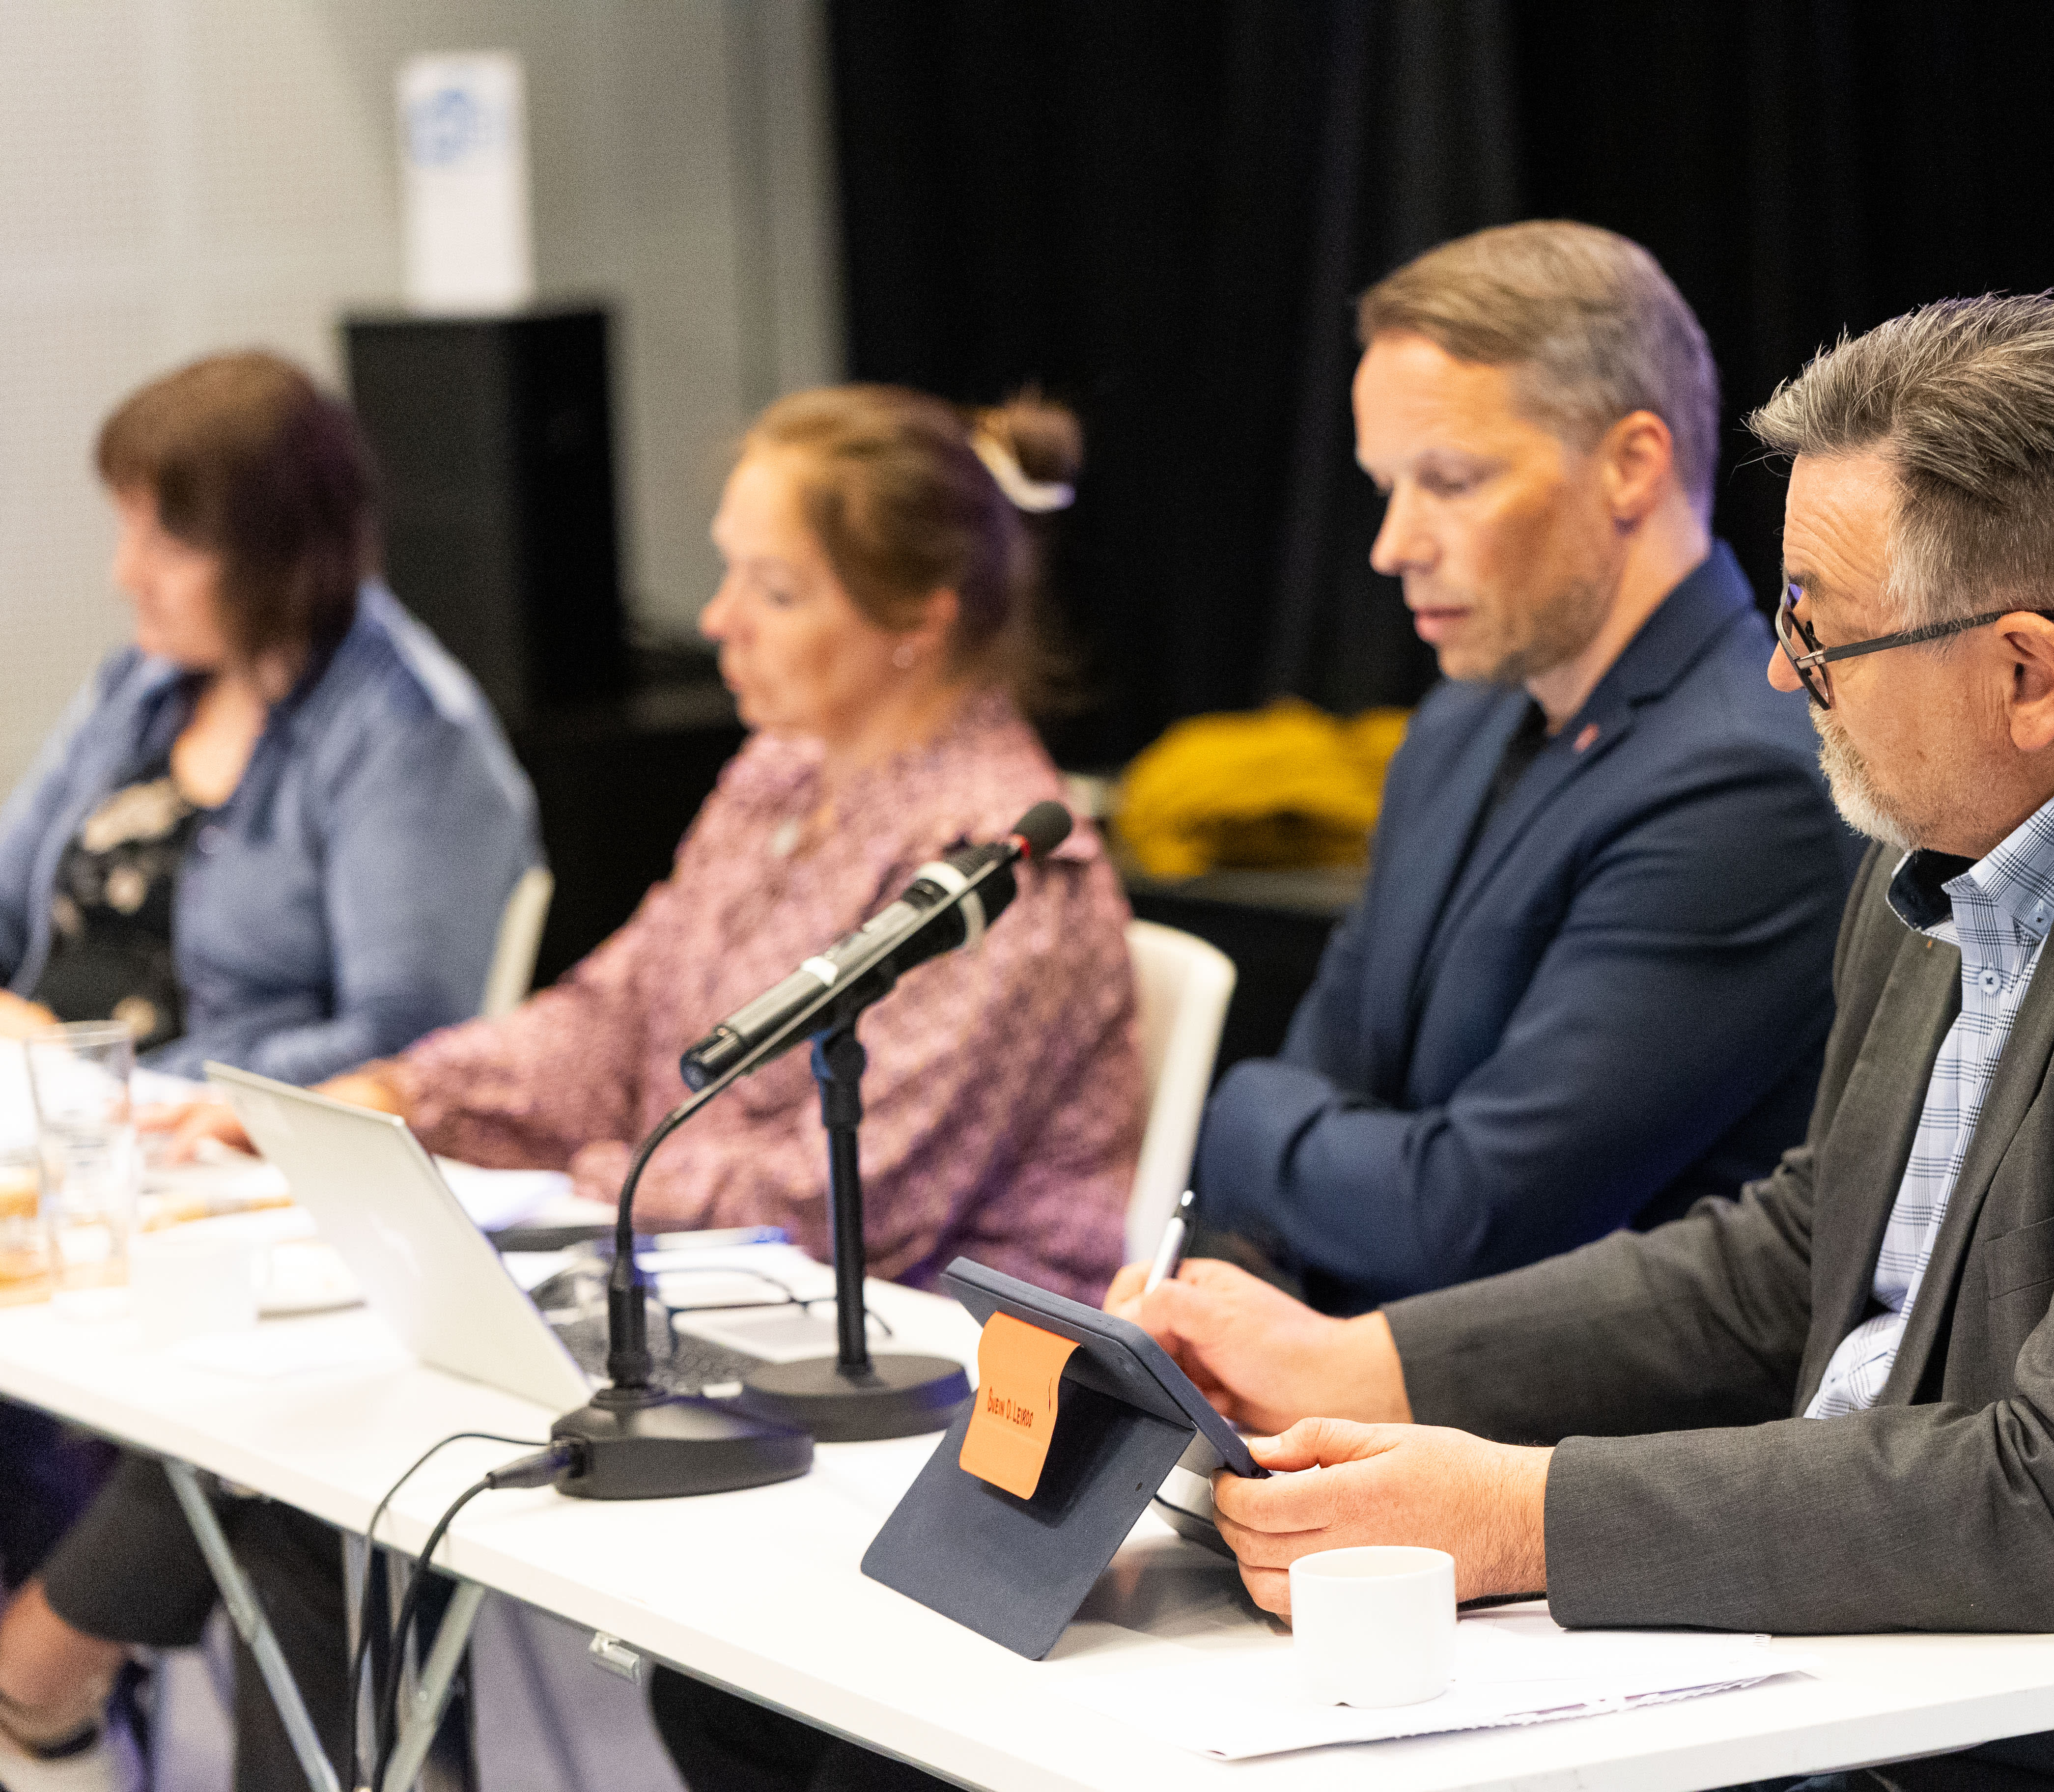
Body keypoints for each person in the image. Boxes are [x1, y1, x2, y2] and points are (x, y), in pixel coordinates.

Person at [1115, 296, 2054, 1791]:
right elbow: (1807, 1253)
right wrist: (1367, 1363)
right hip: (1938, 1698)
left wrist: (1520, 1515)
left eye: (1819, 627)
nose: (1780, 669)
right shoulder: (1956, 811)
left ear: (2027, 673)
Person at [2, 384, 1142, 1792]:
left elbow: (841, 1200)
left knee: (340, 1433)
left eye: (773, 590)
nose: (717, 621)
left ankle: (37, 1677)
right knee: (311, 1459)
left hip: (938, 1412)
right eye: (730, 574)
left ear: (917, 617)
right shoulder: (781, 778)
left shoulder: (1001, 870)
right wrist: (399, 1093)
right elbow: (609, 1018)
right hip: (727, 1322)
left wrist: (571, 1181)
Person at [0, 350, 537, 1792]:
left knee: (288, 1438)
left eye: (163, 539)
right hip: (68, 1139)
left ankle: (41, 1678)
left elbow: (407, 1037)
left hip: (233, 1178)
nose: (124, 574)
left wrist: (122, 1085)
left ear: (277, 550)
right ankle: (44, 1691)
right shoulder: (141, 687)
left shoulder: (412, 736)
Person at [1189, 221, 1854, 1313]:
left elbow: (1463, 1223)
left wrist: (1235, 1111)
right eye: (1386, 486)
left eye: (1450, 482)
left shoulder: (1744, 782)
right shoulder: (1460, 723)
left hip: (1574, 1412)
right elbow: (1340, 1075)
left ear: (1631, 466)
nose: (1393, 546)